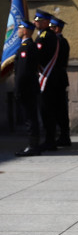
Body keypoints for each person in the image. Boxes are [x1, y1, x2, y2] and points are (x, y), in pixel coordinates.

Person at [13, 19, 41, 157]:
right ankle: (34, 144)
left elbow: (22, 72)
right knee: (31, 116)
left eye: (19, 28)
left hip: (26, 88)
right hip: (30, 87)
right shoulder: (31, 45)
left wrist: (17, 89)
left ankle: (33, 146)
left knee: (29, 118)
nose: (17, 31)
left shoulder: (26, 47)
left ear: (25, 31)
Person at [34, 10, 60, 152]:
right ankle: (50, 139)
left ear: (45, 22)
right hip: (47, 76)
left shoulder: (46, 37)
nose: (35, 23)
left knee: (47, 110)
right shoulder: (44, 35)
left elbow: (40, 56)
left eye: (38, 20)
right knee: (47, 110)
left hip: (47, 77)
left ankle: (50, 141)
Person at [49, 16, 71, 147]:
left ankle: (63, 136)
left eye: (51, 28)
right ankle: (64, 136)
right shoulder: (62, 41)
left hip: (56, 78)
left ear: (56, 29)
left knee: (59, 109)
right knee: (60, 109)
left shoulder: (58, 42)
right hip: (60, 77)